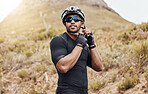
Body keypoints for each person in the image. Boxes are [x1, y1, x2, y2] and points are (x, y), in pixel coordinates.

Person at [50, 6, 103, 94]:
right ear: (64, 24)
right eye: (69, 19)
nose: (72, 22)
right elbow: (63, 67)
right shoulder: (59, 40)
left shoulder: (84, 45)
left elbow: (99, 67)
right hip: (66, 91)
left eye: (76, 19)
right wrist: (79, 45)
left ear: (82, 24)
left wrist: (91, 44)